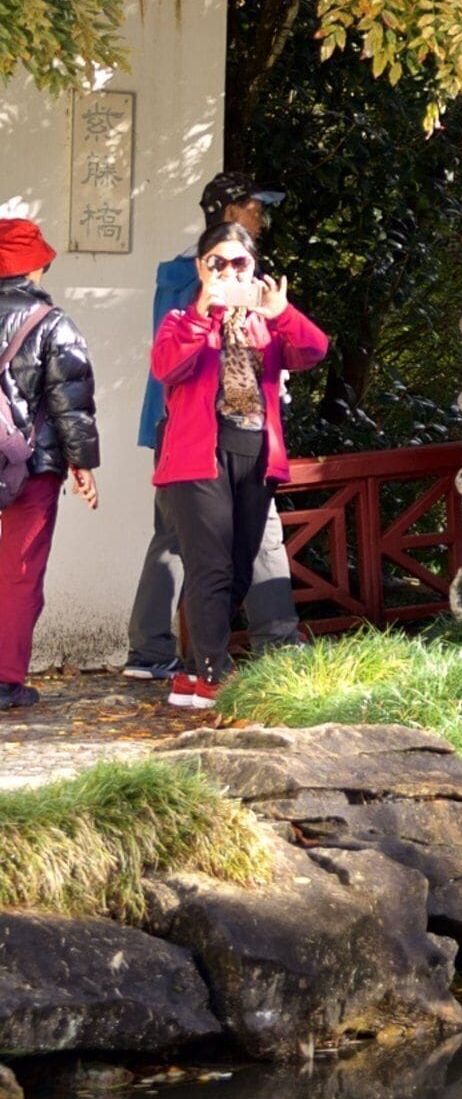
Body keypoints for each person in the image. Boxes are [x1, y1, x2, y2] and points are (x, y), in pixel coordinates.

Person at [127, 172, 303, 678]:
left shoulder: (189, 271)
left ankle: (151, 649)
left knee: (174, 538)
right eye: (254, 207)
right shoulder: (194, 277)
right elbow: (174, 352)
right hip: (193, 428)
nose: (261, 218)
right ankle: (274, 640)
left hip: (201, 427)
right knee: (251, 533)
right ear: (229, 212)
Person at [150, 221, 329, 709]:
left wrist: (282, 311)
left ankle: (191, 673)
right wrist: (204, 311)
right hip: (197, 457)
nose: (229, 271)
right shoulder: (180, 319)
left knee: (240, 568)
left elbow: (315, 350)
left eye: (239, 263)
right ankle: (213, 673)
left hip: (254, 454)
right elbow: (167, 366)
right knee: (210, 567)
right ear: (201, 268)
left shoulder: (265, 321)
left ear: (254, 267)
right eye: (218, 263)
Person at [0, 216, 102, 714]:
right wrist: (82, 464)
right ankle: (4, 680)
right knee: (19, 573)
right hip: (30, 465)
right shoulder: (52, 323)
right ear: (36, 265)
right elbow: (72, 403)